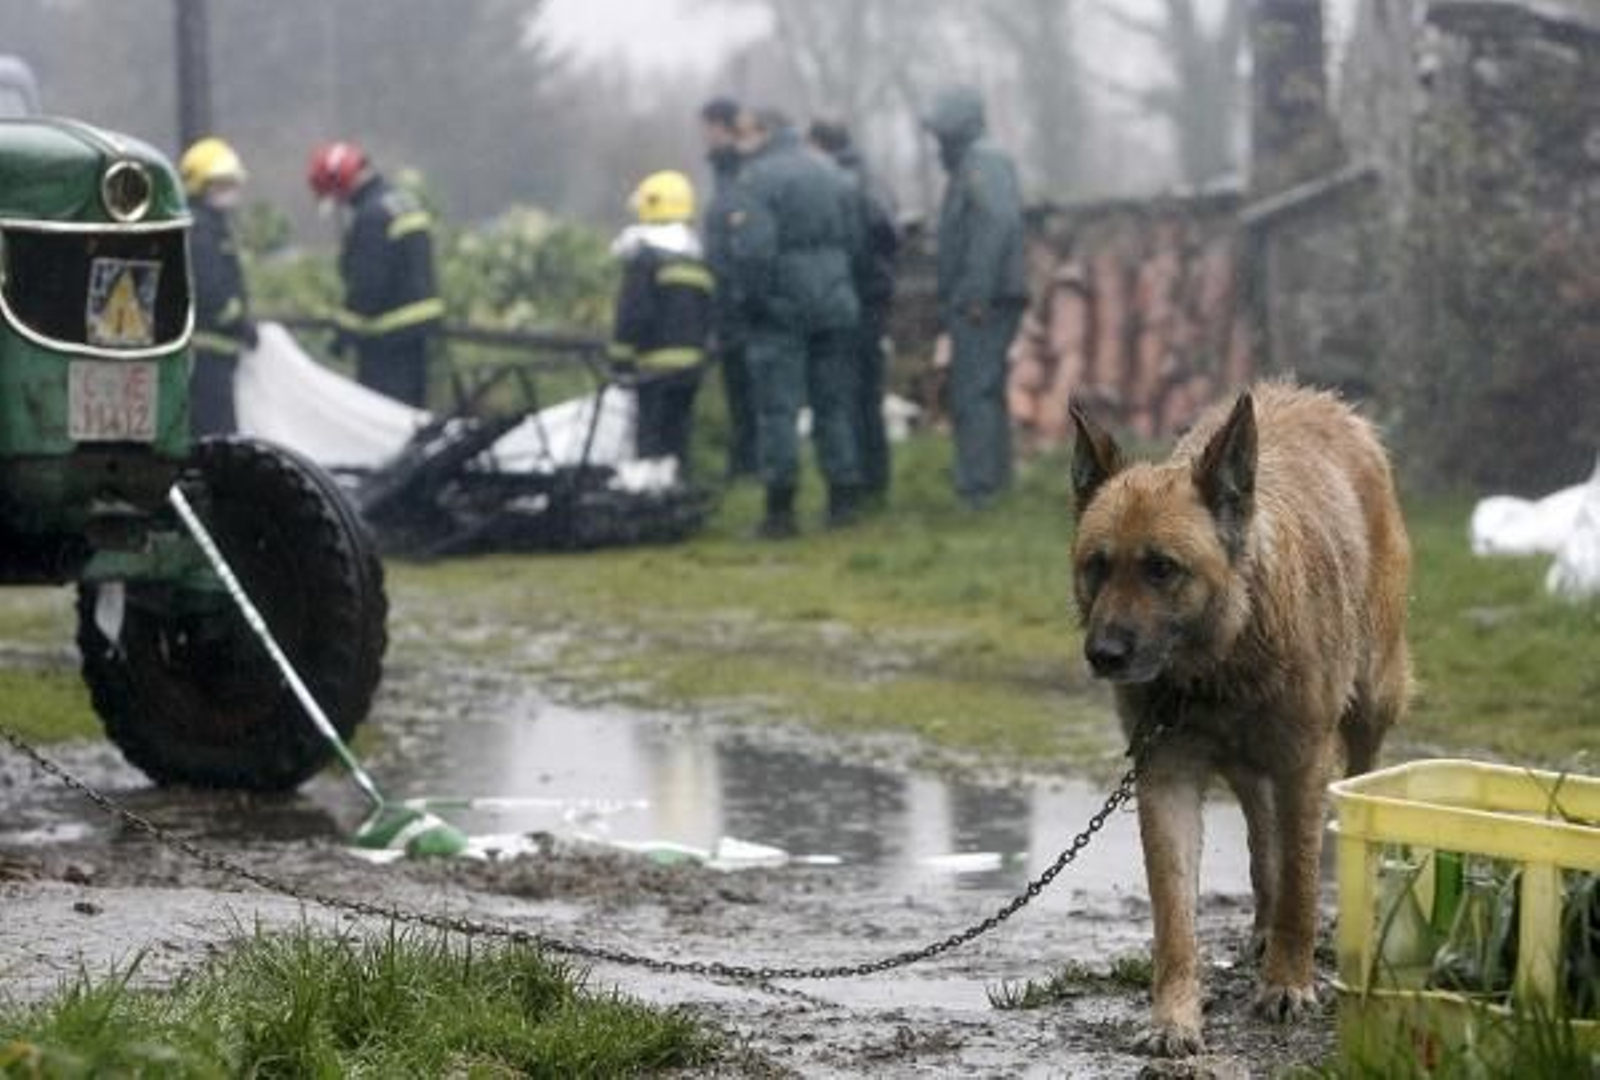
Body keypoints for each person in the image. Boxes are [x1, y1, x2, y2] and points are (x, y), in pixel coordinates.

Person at [728, 107, 863, 538]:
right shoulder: (832, 172)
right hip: (835, 300)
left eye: (743, 133)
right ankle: (843, 501)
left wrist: (752, 300)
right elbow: (857, 240)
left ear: (763, 133)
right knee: (833, 405)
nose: (737, 142)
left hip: (780, 307)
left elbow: (754, 250)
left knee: (777, 410)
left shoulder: (757, 179)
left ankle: (780, 510)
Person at [923, 85, 1027, 510]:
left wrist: (977, 292)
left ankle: (979, 489)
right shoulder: (976, 162)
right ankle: (993, 484)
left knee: (974, 393)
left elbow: (995, 226)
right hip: (982, 295)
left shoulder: (982, 162)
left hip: (983, 299)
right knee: (983, 390)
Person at [307, 141, 444, 408]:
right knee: (412, 413)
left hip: (387, 338)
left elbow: (367, 285)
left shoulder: (371, 217)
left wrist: (342, 335)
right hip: (421, 330)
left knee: (385, 416)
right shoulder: (403, 202)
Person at [808, 118, 899, 507]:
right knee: (869, 393)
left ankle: (859, 481)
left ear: (819, 145)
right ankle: (876, 480)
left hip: (854, 297)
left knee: (847, 393)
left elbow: (858, 241)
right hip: (874, 295)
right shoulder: (871, 178)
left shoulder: (841, 183)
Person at [608, 170, 714, 478]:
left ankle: (648, 498)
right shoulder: (696, 256)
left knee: (650, 439)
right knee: (678, 435)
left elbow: (633, 314)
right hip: (690, 367)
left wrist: (620, 360)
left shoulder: (643, 257)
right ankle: (677, 492)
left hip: (653, 367)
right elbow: (708, 311)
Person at [700, 96, 760, 481]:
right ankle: (743, 462)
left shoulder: (742, 174)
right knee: (737, 386)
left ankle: (750, 463)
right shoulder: (723, 173)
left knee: (749, 387)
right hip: (725, 296)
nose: (704, 138)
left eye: (708, 129)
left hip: (740, 297)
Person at [179, 136, 256, 437]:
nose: (229, 192)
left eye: (231, 183)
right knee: (217, 434)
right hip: (205, 355)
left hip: (215, 354)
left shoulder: (213, 226)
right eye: (220, 184)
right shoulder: (200, 231)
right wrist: (238, 321)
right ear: (200, 186)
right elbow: (211, 292)